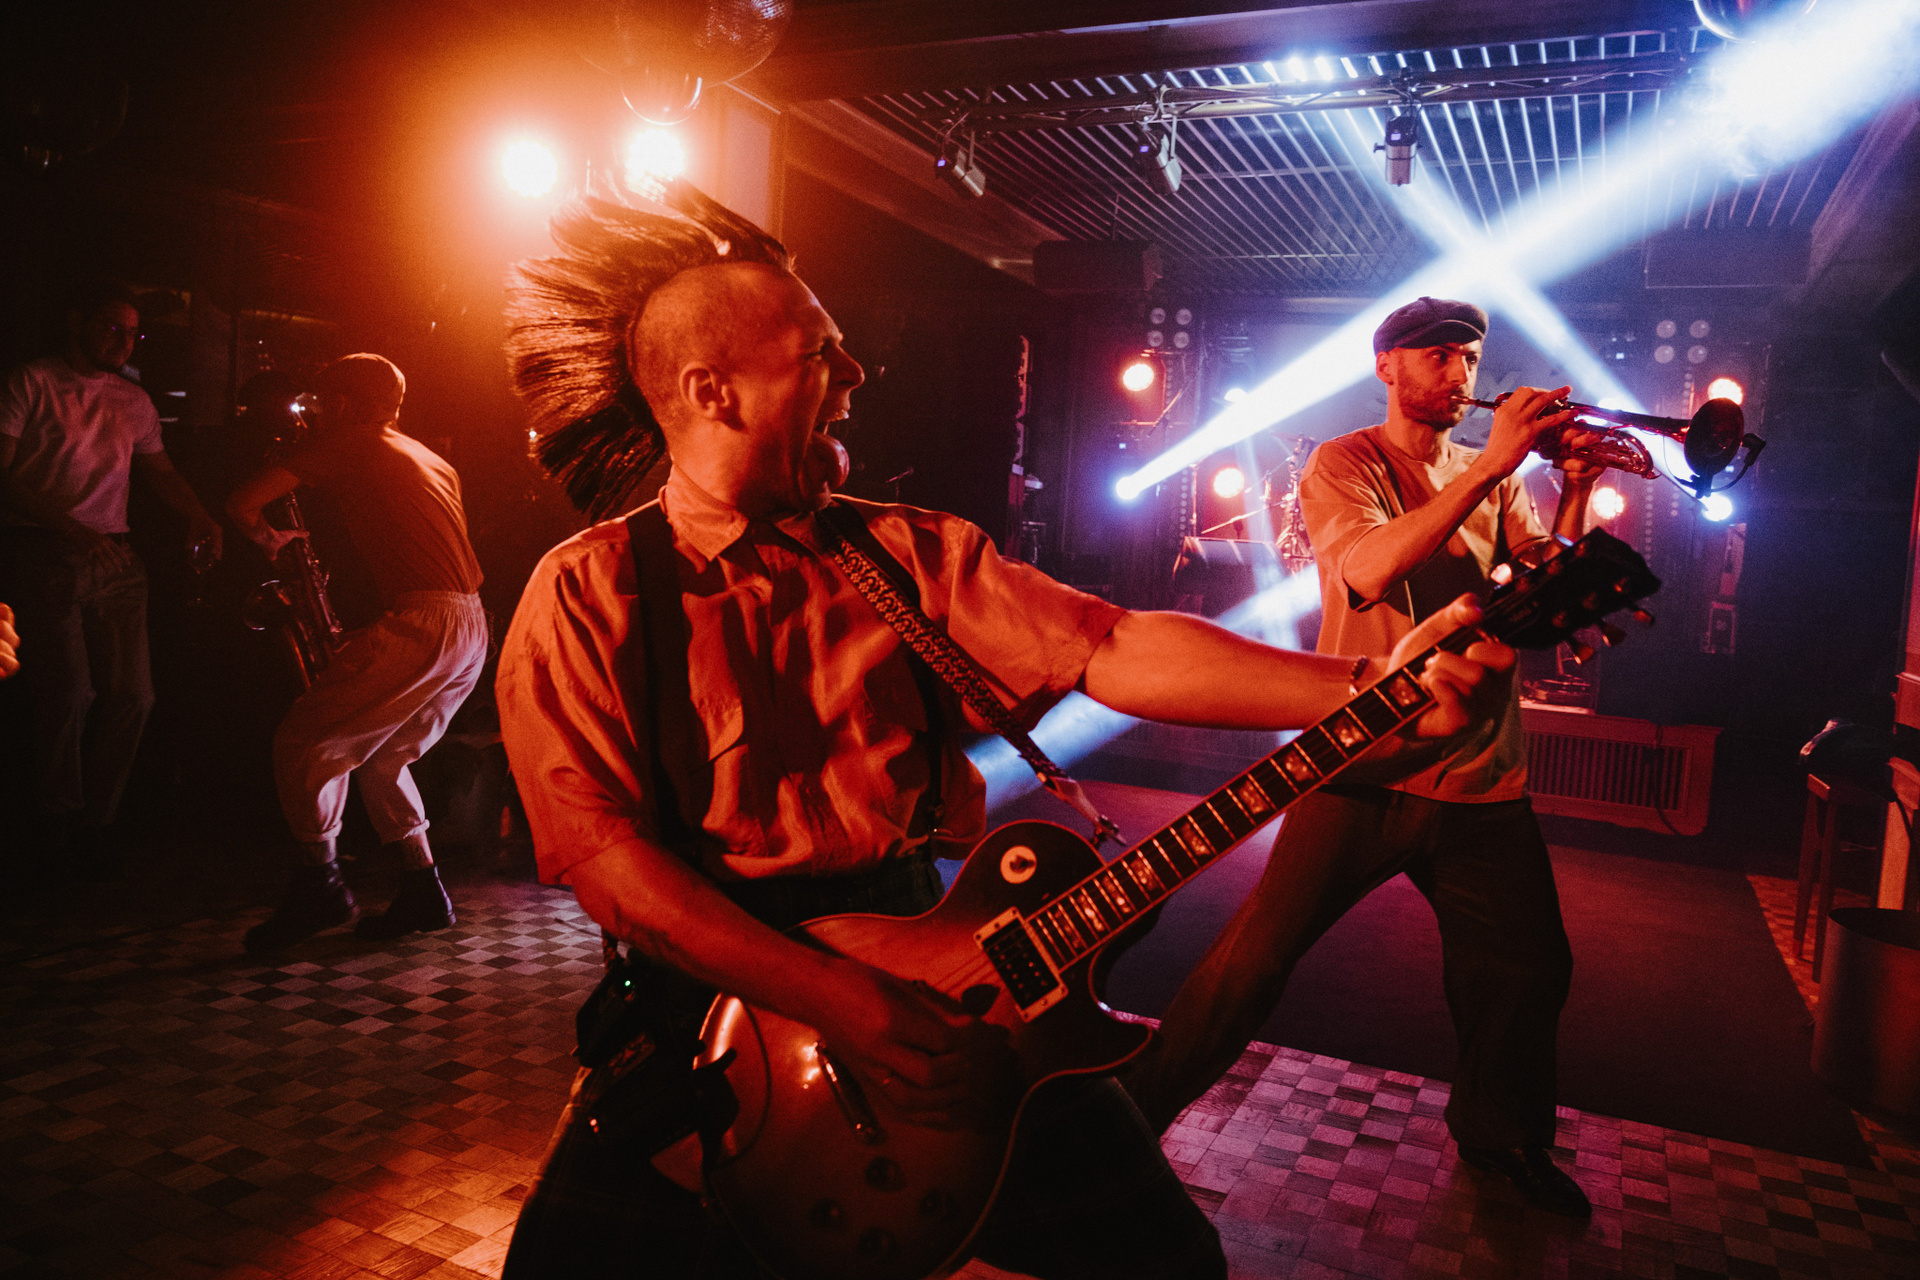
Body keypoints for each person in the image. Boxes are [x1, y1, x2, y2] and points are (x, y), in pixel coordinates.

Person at [493, 189, 1515, 1278]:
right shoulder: (590, 589)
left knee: (1165, 1263)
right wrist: (845, 1001)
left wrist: (1366, 682)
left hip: (948, 973)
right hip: (708, 1005)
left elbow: (1115, 645)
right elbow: (611, 871)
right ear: (714, 390)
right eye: (821, 355)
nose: (857, 375)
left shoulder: (906, 553)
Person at [1125, 297, 1605, 1218]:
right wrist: (1493, 467)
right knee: (1254, 962)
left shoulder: (1496, 478)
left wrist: (1573, 491)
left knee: (1528, 967)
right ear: (1386, 365)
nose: (1459, 375)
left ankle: (1503, 1138)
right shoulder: (1344, 462)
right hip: (1365, 762)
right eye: (1437, 356)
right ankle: (1129, 1123)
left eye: (1469, 358)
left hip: (1482, 769)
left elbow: (1549, 597)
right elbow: (1370, 570)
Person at [227, 353, 487, 951]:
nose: (316, 416)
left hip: (426, 620)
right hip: (471, 622)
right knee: (384, 758)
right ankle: (424, 890)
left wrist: (268, 539)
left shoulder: (352, 440)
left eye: (321, 404)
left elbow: (241, 503)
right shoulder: (431, 457)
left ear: (344, 404)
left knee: (302, 743)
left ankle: (319, 883)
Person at [0, 283, 224, 863]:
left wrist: (201, 516)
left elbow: (161, 472)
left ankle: (98, 822)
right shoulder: (33, 381)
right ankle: (59, 819)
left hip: (116, 557)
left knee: (135, 697)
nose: (123, 342)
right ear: (77, 321)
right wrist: (72, 529)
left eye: (132, 333)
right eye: (110, 327)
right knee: (71, 693)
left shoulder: (134, 400)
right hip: (44, 550)